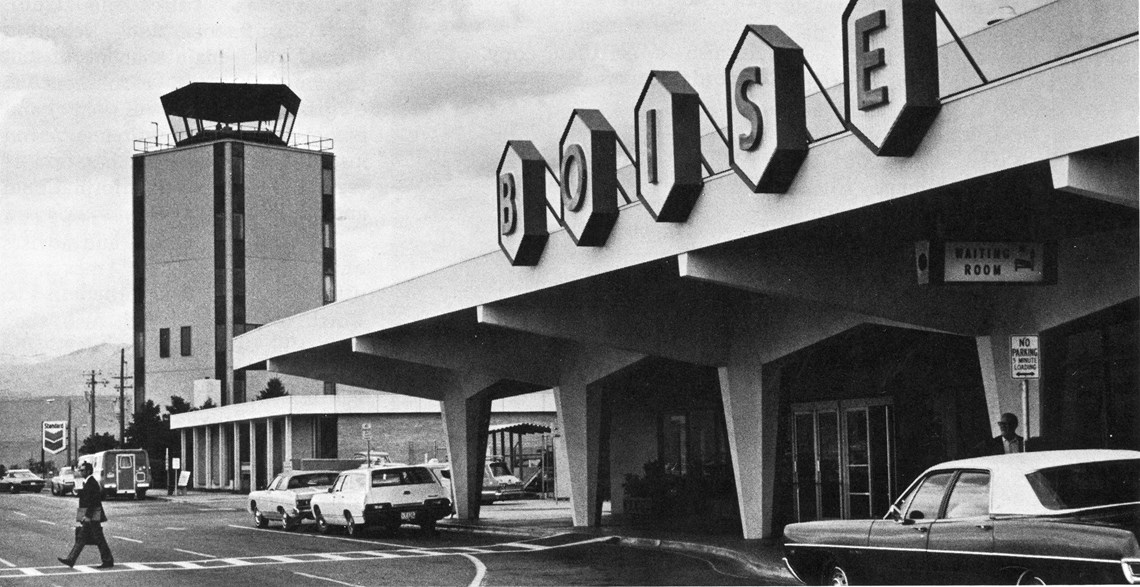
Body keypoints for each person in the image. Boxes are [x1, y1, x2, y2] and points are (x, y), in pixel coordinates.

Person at [57, 462, 113, 569]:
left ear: (88, 471)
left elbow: (93, 502)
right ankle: (71, 559)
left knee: (95, 537)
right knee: (84, 537)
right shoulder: (86, 482)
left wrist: (87, 515)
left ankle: (107, 560)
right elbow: (84, 500)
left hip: (93, 513)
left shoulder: (92, 482)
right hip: (89, 513)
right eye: (80, 470)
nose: (81, 472)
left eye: (82, 471)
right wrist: (81, 515)